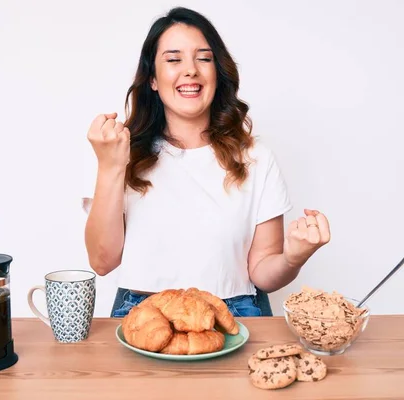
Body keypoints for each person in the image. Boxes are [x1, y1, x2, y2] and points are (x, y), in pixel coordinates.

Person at [82, 7, 331, 318]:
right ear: (153, 80)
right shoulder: (118, 152)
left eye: (203, 58)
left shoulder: (256, 158)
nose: (190, 70)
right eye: (173, 60)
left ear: (217, 73)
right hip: (142, 314)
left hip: (238, 314)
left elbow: (263, 273)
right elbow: (102, 261)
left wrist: (294, 257)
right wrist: (111, 166)